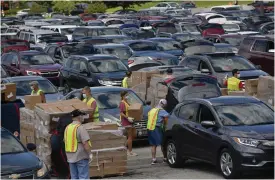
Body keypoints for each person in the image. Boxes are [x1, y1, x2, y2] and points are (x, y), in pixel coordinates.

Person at [64, 109, 92, 179]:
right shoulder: (80, 128)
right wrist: (90, 154)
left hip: (70, 157)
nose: (83, 117)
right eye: (82, 116)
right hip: (81, 156)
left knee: (74, 177)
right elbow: (85, 143)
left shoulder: (67, 128)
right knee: (83, 177)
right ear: (79, 117)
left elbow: (65, 141)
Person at [147, 99, 169, 165]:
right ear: (164, 105)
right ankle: (165, 158)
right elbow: (166, 118)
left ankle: (153, 159)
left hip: (149, 128)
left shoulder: (152, 110)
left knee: (153, 145)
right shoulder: (162, 111)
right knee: (163, 143)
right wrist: (165, 126)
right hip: (156, 128)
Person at [119, 91, 137, 156]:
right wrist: (128, 118)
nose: (127, 96)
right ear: (123, 96)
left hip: (130, 121)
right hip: (126, 122)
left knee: (132, 135)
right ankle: (130, 151)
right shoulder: (122, 103)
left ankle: (123, 147)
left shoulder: (126, 102)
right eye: (126, 95)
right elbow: (121, 113)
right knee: (130, 137)